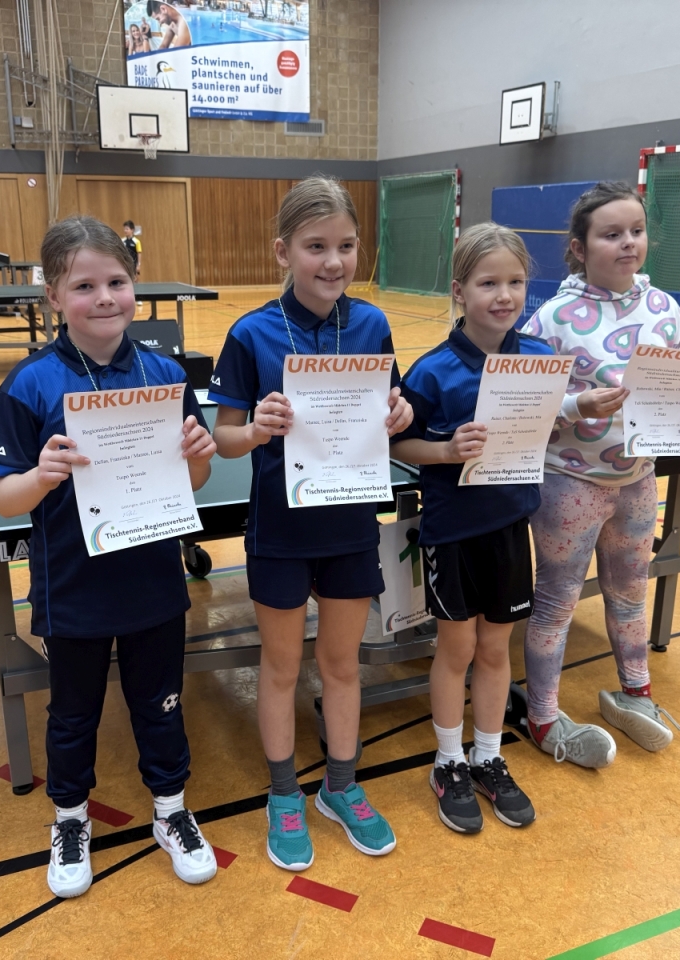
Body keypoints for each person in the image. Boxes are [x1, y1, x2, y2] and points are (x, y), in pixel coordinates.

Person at [0, 215, 220, 897]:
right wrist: (40, 476)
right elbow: (2, 499)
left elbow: (194, 481)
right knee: (72, 714)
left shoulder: (164, 373)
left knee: (162, 704)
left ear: (134, 286)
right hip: (73, 587)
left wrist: (199, 456)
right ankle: (70, 819)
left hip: (153, 581)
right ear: (54, 296)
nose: (105, 297)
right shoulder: (28, 385)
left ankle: (171, 810)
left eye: (117, 281)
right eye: (84, 286)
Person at [208, 176, 413, 871]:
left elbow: (392, 406)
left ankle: (341, 786)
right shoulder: (251, 333)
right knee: (282, 667)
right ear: (283, 252)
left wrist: (401, 412)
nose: (333, 261)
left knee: (342, 665)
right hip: (281, 532)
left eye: (346, 246)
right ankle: (283, 793)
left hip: (351, 525)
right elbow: (223, 437)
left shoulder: (373, 325)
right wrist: (254, 430)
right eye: (316, 246)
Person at [518, 181, 680, 768]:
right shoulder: (553, 320)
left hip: (637, 482)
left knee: (632, 595)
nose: (628, 242)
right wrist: (576, 405)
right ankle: (543, 715)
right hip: (570, 484)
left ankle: (637, 692)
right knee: (555, 603)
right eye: (611, 234)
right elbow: (526, 407)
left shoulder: (666, 310)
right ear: (579, 248)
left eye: (636, 231)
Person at [390, 223, 547, 834]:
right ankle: (448, 761)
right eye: (488, 283)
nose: (504, 295)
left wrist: (581, 409)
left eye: (515, 282)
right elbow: (400, 444)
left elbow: (552, 420)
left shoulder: (538, 359)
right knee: (456, 649)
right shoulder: (432, 371)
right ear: (460, 291)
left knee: (495, 649)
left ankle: (488, 756)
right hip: (453, 532)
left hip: (509, 527)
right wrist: (446, 451)